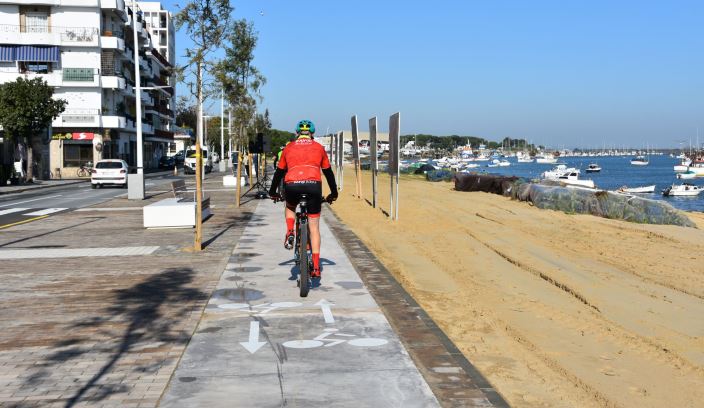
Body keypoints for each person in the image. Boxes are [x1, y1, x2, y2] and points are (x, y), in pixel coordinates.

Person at [269, 119, 338, 279]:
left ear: (297, 133)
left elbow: (279, 173)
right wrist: (333, 193)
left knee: (290, 206)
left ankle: (290, 231)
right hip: (314, 186)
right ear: (312, 133)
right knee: (314, 227)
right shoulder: (319, 148)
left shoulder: (288, 147)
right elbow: (328, 173)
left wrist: (273, 191)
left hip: (292, 185)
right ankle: (315, 267)